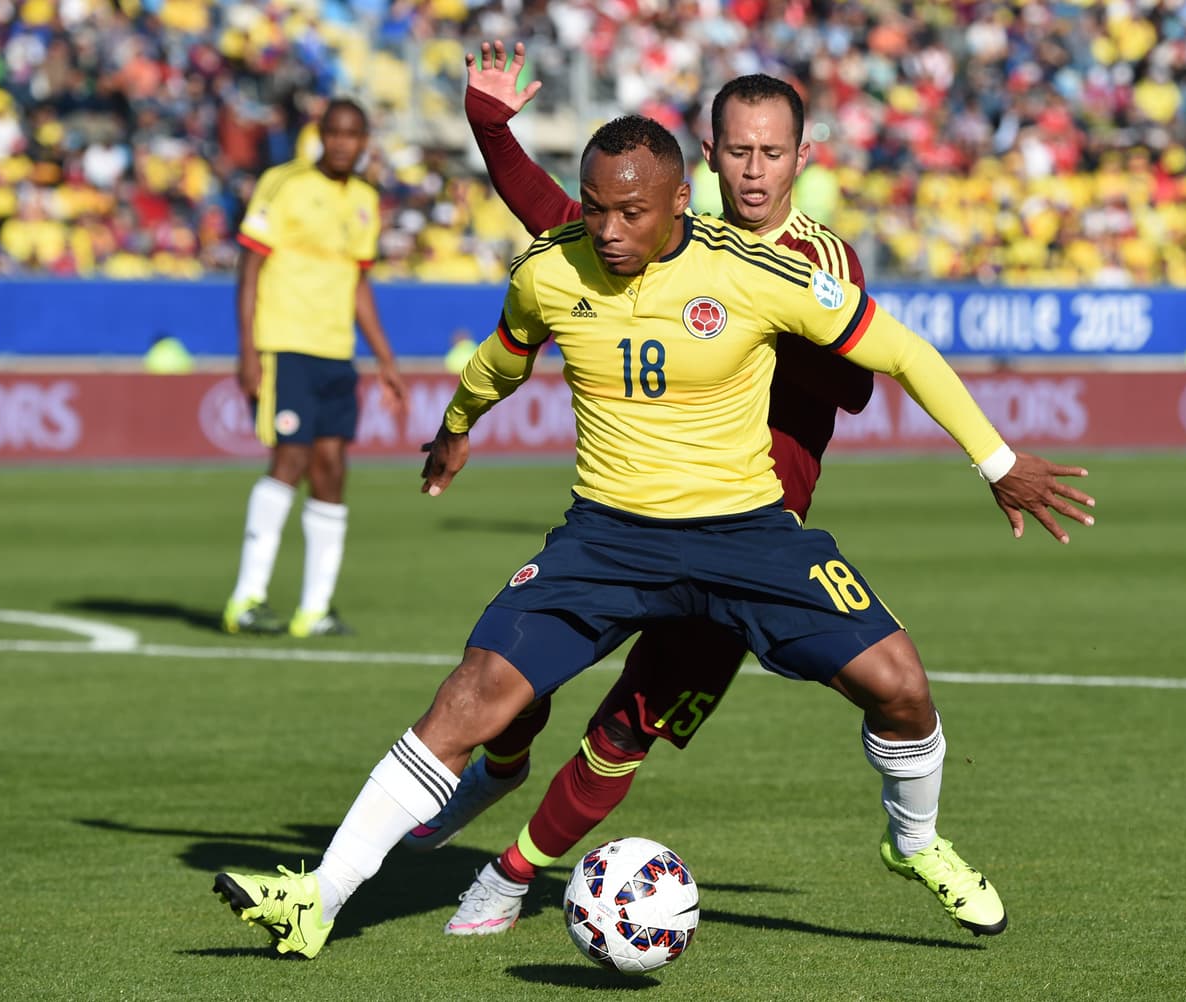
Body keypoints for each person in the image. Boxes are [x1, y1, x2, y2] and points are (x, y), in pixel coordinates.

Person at [213, 114, 1095, 960]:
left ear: (681, 200)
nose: (607, 229)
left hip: (745, 535)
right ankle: (318, 898)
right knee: (468, 699)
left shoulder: (756, 271)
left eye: (630, 211)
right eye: (594, 206)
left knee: (901, 688)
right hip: (605, 540)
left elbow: (900, 351)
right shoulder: (550, 270)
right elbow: (502, 355)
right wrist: (456, 424)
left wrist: (997, 461)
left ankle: (913, 841)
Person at [410, 44, 883, 939]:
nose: (753, 168)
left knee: (631, 726)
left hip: (750, 540)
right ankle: (499, 768)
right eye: (737, 150)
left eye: (770, 152)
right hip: (630, 524)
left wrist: (763, 327)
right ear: (708, 159)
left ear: (799, 159)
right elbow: (558, 219)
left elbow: (857, 384)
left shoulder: (822, 261)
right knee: (520, 670)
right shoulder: (665, 246)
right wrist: (492, 131)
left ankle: (509, 878)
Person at [220, 98, 406, 639]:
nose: (345, 143)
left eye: (355, 134)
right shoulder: (284, 183)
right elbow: (250, 267)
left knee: (332, 467)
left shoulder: (367, 200)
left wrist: (385, 359)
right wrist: (248, 349)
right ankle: (246, 598)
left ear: (365, 140)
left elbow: (359, 285)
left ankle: (314, 609)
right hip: (285, 343)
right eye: (336, 133)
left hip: (335, 351)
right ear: (321, 136)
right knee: (291, 458)